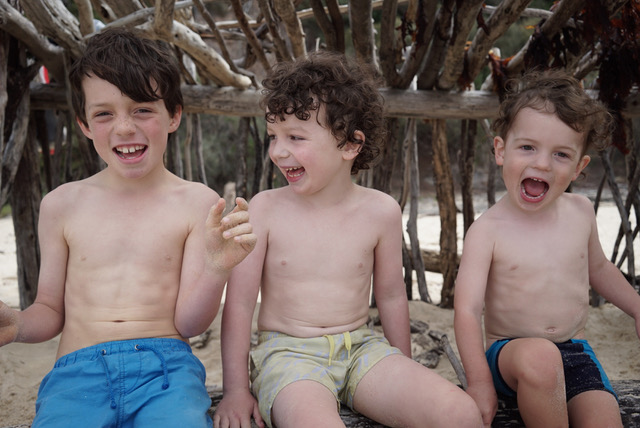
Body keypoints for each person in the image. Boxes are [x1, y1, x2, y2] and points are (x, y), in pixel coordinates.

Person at [0, 29, 256, 427]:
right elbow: (50, 311)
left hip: (166, 371)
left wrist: (216, 269)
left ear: (173, 116)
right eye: (104, 113)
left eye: (142, 110)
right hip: (76, 373)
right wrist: (16, 325)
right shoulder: (61, 204)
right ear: (84, 124)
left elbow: (190, 323)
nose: (124, 127)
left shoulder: (197, 203)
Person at [213, 51, 483, 428]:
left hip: (362, 349)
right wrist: (236, 390)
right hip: (289, 356)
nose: (278, 151)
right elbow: (239, 305)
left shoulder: (381, 212)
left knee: (461, 414)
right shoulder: (266, 209)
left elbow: (390, 295)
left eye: (295, 136)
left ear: (350, 145)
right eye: (273, 135)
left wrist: (401, 366)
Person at [454, 68, 640, 428]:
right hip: (510, 357)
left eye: (560, 155)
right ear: (500, 151)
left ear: (578, 167)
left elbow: (599, 269)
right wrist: (478, 383)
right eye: (527, 147)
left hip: (575, 351)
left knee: (604, 420)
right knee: (540, 358)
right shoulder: (487, 231)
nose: (541, 163)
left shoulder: (581, 212)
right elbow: (466, 310)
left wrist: (636, 307)